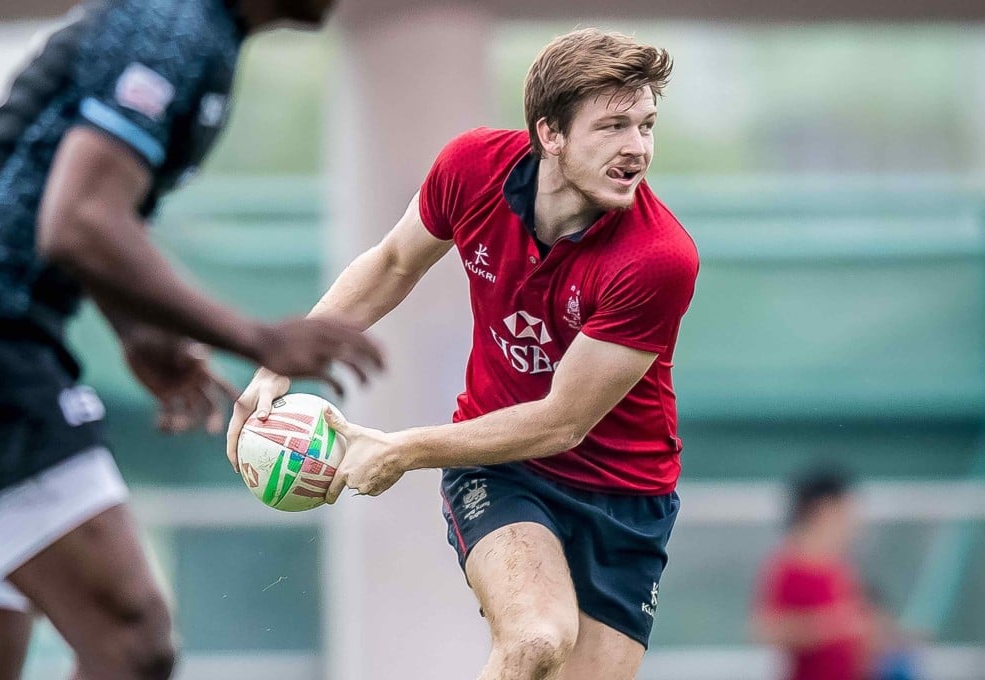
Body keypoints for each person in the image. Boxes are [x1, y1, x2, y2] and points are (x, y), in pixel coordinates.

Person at [228, 28, 697, 680]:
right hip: (501, 465)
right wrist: (282, 359)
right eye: (613, 126)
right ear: (550, 134)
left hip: (626, 497)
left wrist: (402, 449)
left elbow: (563, 422)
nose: (637, 147)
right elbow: (393, 264)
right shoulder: (472, 168)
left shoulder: (658, 258)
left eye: (646, 126)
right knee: (536, 640)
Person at [0, 1, 383, 678]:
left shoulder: (200, 34)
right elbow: (80, 222)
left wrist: (138, 331)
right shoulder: (174, 24)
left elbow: (79, 209)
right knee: (132, 641)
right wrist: (256, 337)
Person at [751, 468, 876, 680]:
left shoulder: (839, 565)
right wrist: (832, 625)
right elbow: (765, 628)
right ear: (825, 508)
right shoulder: (791, 564)